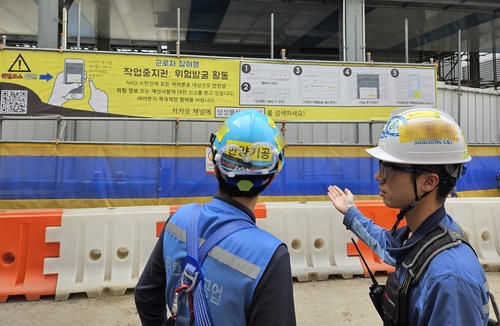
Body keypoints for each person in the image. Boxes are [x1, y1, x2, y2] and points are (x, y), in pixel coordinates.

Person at [327, 107, 492, 325]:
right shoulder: (424, 238)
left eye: (388, 168)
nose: (378, 176)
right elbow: (389, 248)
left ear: (428, 182)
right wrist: (350, 212)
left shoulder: (449, 279)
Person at [134, 109, 296, 326]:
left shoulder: (179, 219)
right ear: (273, 175)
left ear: (215, 166)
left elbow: (145, 294)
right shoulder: (270, 256)